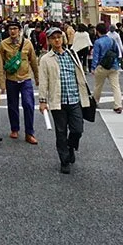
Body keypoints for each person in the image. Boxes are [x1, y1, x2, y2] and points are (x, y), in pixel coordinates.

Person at [37, 27, 92, 174]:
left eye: (59, 37)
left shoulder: (71, 54)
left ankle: (70, 146)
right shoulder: (45, 59)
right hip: (58, 100)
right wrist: (42, 101)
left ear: (63, 39)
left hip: (75, 98)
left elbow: (80, 75)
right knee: (60, 132)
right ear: (48, 40)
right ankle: (64, 160)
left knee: (77, 129)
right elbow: (43, 81)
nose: (57, 40)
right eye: (53, 37)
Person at [0, 21, 40, 144]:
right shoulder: (3, 44)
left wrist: (37, 78)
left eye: (15, 28)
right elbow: (0, 64)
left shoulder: (27, 43)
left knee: (28, 104)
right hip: (11, 80)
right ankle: (14, 128)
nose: (13, 31)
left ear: (19, 30)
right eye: (10, 29)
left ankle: (29, 133)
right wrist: (1, 83)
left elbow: (33, 61)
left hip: (25, 79)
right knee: (12, 105)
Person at [90, 23, 123, 113]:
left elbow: (96, 56)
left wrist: (93, 68)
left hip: (102, 66)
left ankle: (95, 101)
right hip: (113, 65)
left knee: (98, 85)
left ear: (97, 31)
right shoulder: (112, 40)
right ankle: (118, 105)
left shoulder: (97, 42)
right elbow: (117, 51)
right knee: (116, 86)